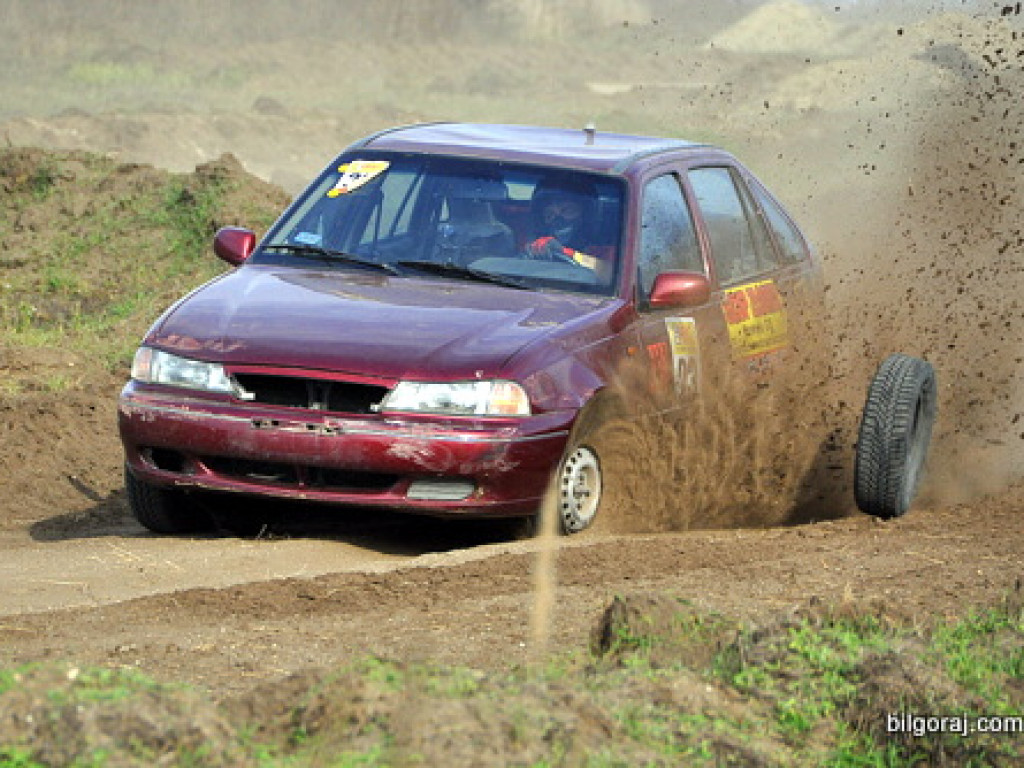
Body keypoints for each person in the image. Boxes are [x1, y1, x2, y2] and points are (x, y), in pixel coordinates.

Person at [524, 181, 612, 279]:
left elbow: (610, 275)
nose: (557, 219)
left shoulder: (607, 249)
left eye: (567, 211)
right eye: (549, 213)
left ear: (586, 216)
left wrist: (567, 253)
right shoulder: (527, 243)